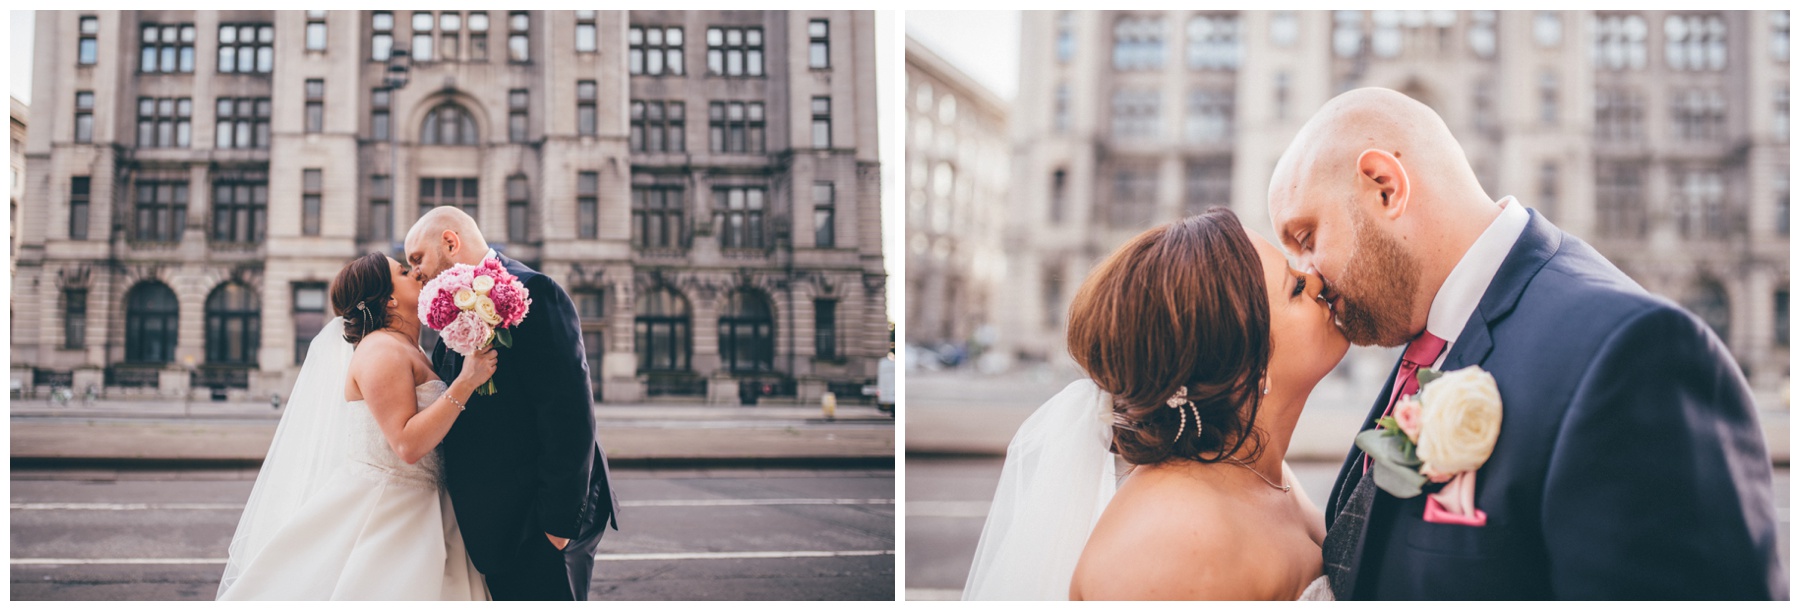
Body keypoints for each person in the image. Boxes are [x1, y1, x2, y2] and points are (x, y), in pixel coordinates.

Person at [1270, 87, 1786, 600]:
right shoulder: (1431, 332)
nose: (1309, 276)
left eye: (1308, 238)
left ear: (1385, 187)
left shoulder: (1634, 354)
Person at [963, 207, 1347, 600]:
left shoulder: (1260, 470)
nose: (1314, 279)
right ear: (1243, 369)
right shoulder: (1170, 549)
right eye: (1295, 289)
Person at [218, 252, 498, 600]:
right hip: (391, 511)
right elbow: (407, 444)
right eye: (404, 272)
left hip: (428, 505)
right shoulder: (382, 351)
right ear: (390, 298)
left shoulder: (409, 348)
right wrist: (465, 383)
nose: (418, 274)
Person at [403, 206, 619, 601]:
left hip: (539, 524)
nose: (415, 272)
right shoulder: (448, 314)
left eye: (418, 258)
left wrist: (556, 527)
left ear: (451, 241)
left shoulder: (536, 293)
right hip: (496, 529)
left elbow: (569, 415)